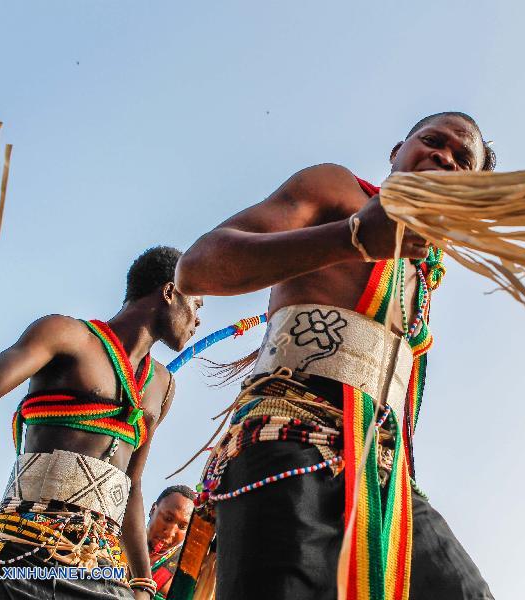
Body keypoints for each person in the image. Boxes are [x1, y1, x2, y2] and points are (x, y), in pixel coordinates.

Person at [175, 112, 496, 599]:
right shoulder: (337, 189)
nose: (443, 156)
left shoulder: (426, 271)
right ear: (397, 150)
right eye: (433, 141)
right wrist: (352, 238)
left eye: (461, 159)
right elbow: (198, 267)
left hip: (388, 480)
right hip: (289, 436)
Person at [0, 246, 202, 600]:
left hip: (100, 574)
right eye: (197, 306)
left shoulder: (162, 386)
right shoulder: (66, 336)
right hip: (17, 559)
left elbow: (130, 483)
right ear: (168, 292)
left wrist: (143, 584)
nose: (198, 321)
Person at [147, 485, 195, 599]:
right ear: (153, 510)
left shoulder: (184, 574)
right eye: (168, 519)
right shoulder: (118, 541)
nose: (170, 533)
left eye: (182, 526)